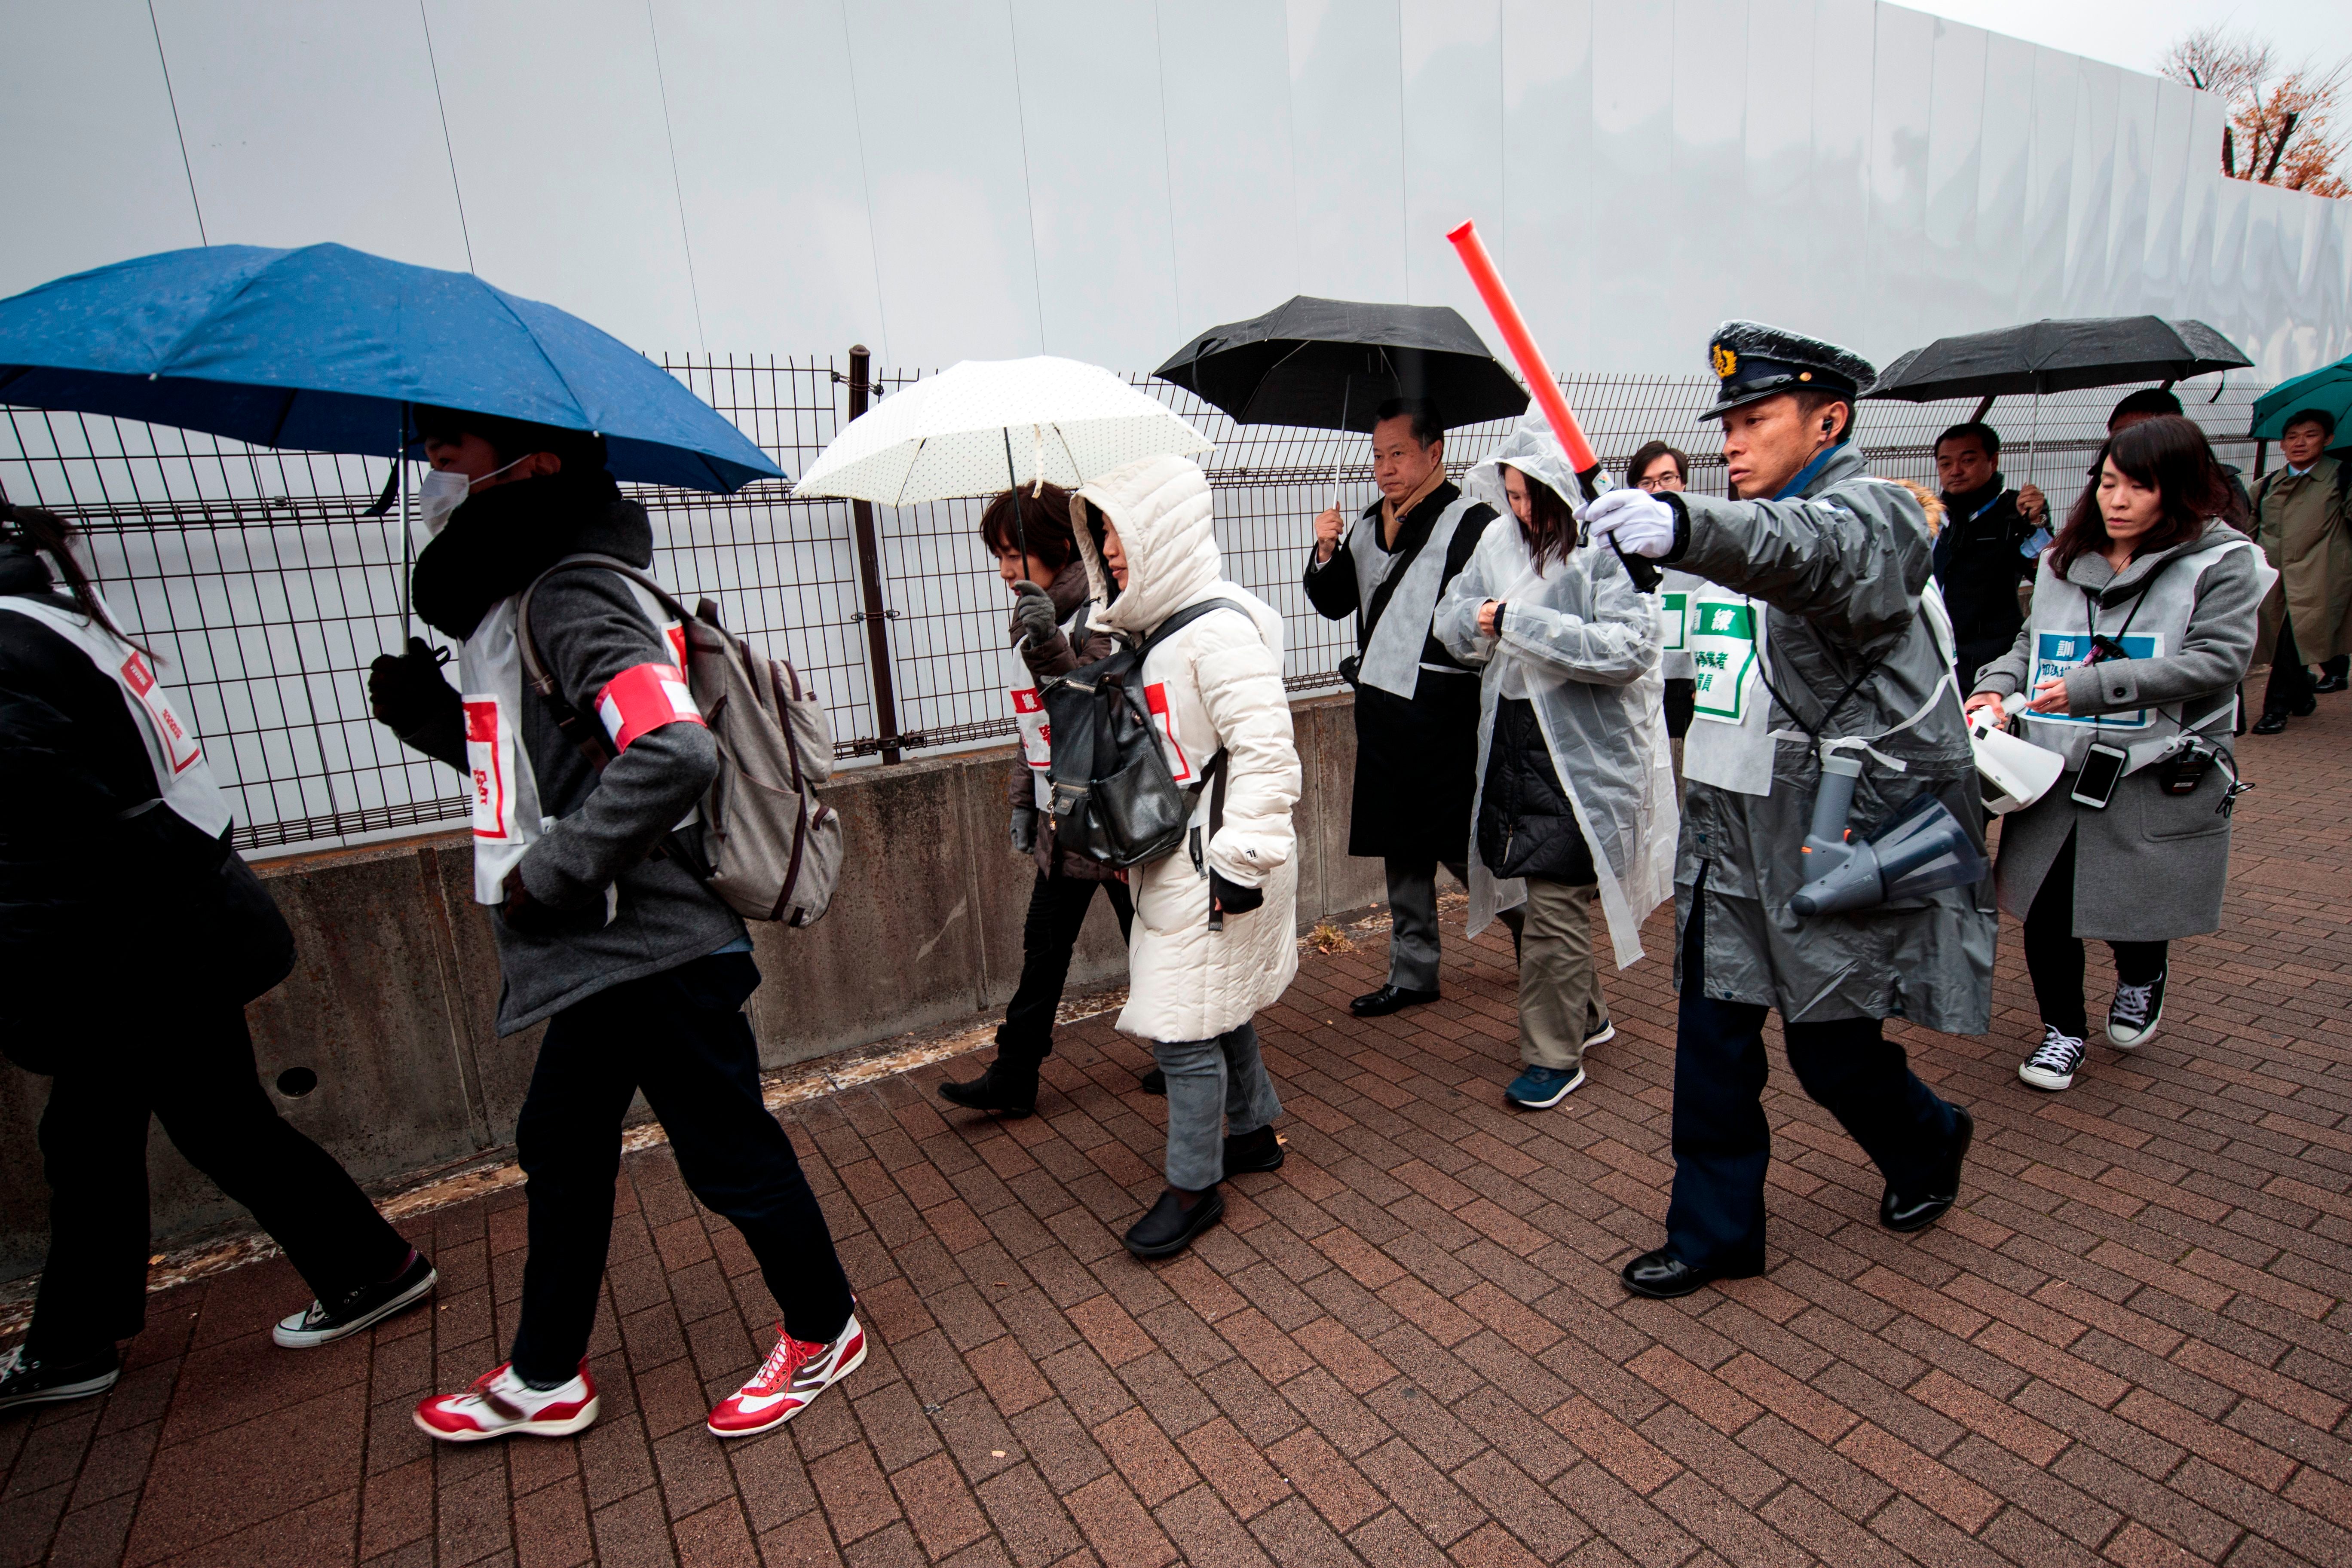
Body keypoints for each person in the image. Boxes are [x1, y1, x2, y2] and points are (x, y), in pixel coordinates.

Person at [367, 408, 860, 1442]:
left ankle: (825, 1329)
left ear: (528, 466)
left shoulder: (572, 588)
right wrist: (432, 722)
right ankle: (547, 1373)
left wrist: (552, 875)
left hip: (654, 946)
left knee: (723, 1152)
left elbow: (673, 752)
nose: (432, 474)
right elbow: (563, 773)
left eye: (449, 454)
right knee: (561, 1141)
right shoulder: (528, 597)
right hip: (607, 947)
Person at [1580, 322, 1984, 1301]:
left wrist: (1683, 527)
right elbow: (1692, 649)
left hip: (1821, 843)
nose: (1732, 442)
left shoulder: (1875, 519)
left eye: (1755, 419)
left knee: (1829, 1050)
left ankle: (1927, 1140)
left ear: (1827, 419)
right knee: (1711, 1046)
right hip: (1727, 833)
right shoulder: (1748, 530)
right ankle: (1715, 1232)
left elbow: (1813, 554)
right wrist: (1627, 578)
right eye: (1726, 423)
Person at [0, 503, 434, 1414]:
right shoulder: (57, 620)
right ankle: (81, 1336)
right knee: (127, 1133)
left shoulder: (14, 643)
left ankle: (79, 1340)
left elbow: (43, 825)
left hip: (127, 937)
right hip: (164, 919)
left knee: (155, 1132)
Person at [1967, 416, 2263, 1091]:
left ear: (2180, 492)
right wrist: (1994, 688)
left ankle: (2141, 974)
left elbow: (2220, 662)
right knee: (2046, 906)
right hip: (2054, 763)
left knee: (2130, 904)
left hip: (2152, 768)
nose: (2116, 500)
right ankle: (2062, 1031)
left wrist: (2094, 687)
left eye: (2139, 486)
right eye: (2107, 483)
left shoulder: (2223, 562)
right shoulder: (2061, 559)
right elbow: (2029, 643)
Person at [1063, 453, 1299, 1260]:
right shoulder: (1161, 630)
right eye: (1101, 537)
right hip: (1180, 854)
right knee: (1214, 1001)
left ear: (1162, 533)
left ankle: (1192, 1187)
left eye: (1120, 534)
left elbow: (1269, 753)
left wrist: (1240, 862)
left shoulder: (1215, 632)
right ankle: (1254, 1132)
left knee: (1181, 1030)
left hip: (1211, 856)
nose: (1111, 552)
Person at [1436, 416, 1677, 1110]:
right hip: (1513, 737)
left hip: (1588, 750)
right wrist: (1477, 618)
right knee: (1541, 893)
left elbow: (1630, 647)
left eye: (1530, 494)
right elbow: (1452, 616)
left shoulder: (1606, 550)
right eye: (1510, 494)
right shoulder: (1495, 540)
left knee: (1554, 896)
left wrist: (1515, 622)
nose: (1520, 509)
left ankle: (1552, 1054)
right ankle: (1586, 1012)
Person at [939, 484, 1138, 1115]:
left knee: (1156, 944)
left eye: (1010, 554)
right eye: (996, 556)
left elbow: (1091, 709)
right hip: (1065, 817)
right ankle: (1014, 1074)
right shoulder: (1038, 615)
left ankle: (1200, 1054)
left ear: (1054, 545)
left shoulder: (1102, 610)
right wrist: (1024, 804)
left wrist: (1048, 642)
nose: (1002, 571)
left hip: (1115, 819)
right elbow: (1034, 727)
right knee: (1044, 945)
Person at [1306, 398, 1508, 1017]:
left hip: (1444, 711)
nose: (1386, 468)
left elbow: (1487, 617)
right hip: (1385, 712)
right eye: (1378, 455)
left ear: (1434, 453)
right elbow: (1337, 602)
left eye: (1398, 453)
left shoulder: (1473, 523)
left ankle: (1549, 949)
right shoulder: (1367, 522)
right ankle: (1413, 969)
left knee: (1463, 844)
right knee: (1401, 842)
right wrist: (1325, 551)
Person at [2250, 408, 2350, 732]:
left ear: (2328, 439)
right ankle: (2303, 688)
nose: (2300, 443)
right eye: (2292, 437)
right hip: (2274, 579)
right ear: (2282, 444)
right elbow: (2246, 527)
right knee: (2279, 640)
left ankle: (2274, 710)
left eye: (2310, 435)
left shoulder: (2341, 478)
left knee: (2291, 642)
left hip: (2319, 577)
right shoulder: (2266, 485)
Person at [1930, 422, 2048, 688]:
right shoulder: (1931, 514)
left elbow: (2045, 571)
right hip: (1934, 648)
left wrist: (2034, 523)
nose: (1956, 471)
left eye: (1968, 460)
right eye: (1945, 464)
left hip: (1993, 652)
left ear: (1993, 461)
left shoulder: (2017, 509)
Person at [1629, 441, 1701, 738]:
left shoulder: (1706, 543)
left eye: (1667, 478)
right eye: (1646, 482)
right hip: (1639, 678)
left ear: (1683, 482)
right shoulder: (1625, 547)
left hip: (1686, 681)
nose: (1657, 489)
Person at [2108, 388, 2254, 530]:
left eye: (2135, 435)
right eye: (2116, 437)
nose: (2117, 503)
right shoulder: (2107, 479)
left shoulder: (2219, 489)